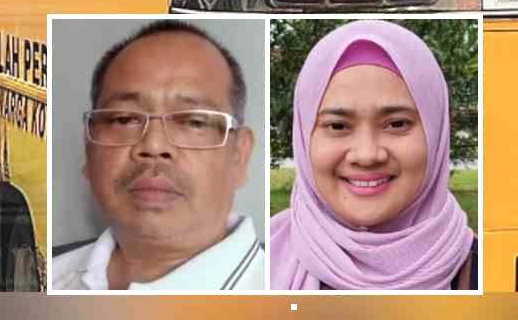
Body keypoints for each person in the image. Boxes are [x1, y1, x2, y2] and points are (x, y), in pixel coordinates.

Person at [51, 20, 262, 291]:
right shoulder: (42, 280)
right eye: (124, 119)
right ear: (89, 149)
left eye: (193, 122)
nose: (154, 145)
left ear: (239, 156)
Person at [270, 20, 476, 290]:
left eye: (397, 124)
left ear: (436, 132)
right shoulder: (259, 267)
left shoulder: (488, 271)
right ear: (303, 134)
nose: (367, 155)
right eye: (338, 126)